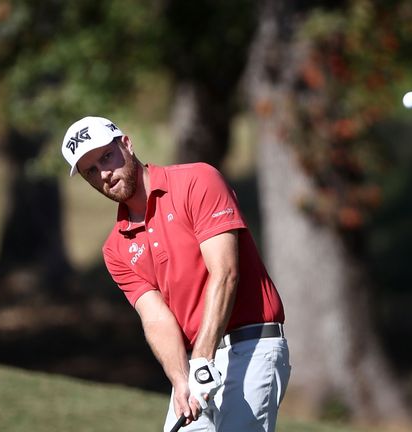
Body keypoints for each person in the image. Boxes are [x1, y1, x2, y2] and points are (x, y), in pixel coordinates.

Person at [61, 116, 290, 431]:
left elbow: (225, 273)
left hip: (251, 346)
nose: (105, 173)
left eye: (106, 157)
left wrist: (202, 361)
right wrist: (181, 379)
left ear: (126, 144)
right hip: (197, 365)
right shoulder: (116, 248)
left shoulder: (198, 180)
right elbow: (156, 319)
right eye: (91, 170)